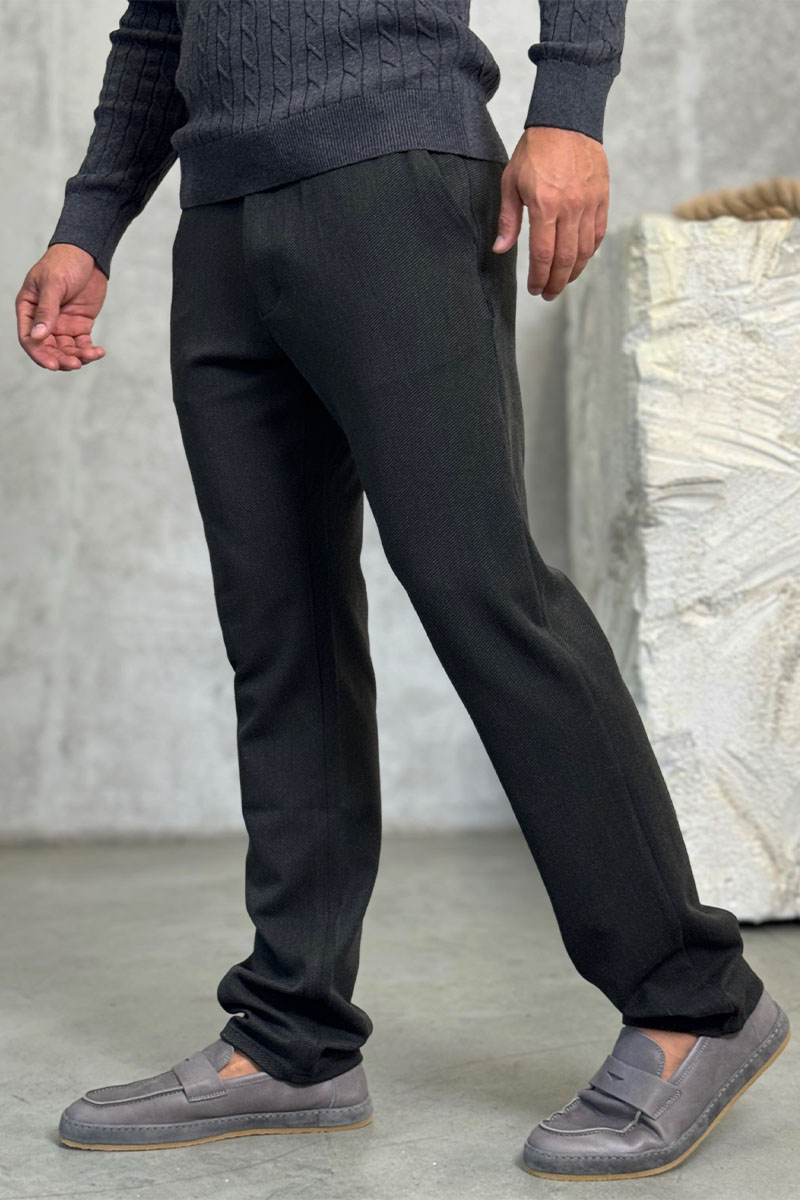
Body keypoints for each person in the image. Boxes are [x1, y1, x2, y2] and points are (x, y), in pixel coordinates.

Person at [15, 0, 789, 1180]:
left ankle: (694, 1000)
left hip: (395, 174)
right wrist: (90, 221)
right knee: (278, 632)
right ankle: (293, 1036)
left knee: (482, 593)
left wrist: (568, 108)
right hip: (219, 217)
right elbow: (157, 22)